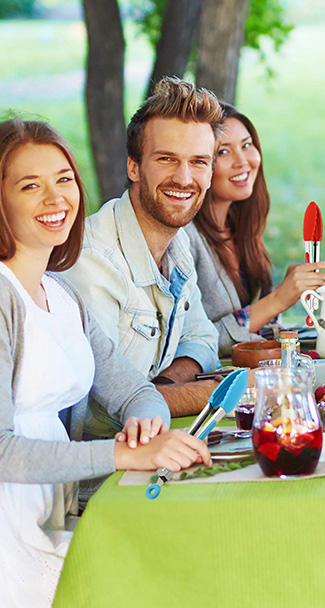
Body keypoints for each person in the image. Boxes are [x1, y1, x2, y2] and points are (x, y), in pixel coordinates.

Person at [0, 119, 210, 606]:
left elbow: (135, 391)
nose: (56, 199)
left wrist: (145, 425)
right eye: (30, 186)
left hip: (51, 512)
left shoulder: (59, 294)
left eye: (64, 179)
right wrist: (125, 455)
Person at [63, 77, 224, 425]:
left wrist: (159, 390)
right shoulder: (93, 261)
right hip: (104, 455)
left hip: (153, 439)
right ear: (133, 167)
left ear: (211, 172)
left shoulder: (177, 240)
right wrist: (222, 392)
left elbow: (202, 337)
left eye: (199, 162)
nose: (184, 178)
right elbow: (99, 412)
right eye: (167, 159)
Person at [185, 103, 325, 355]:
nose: (242, 161)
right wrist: (278, 300)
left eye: (246, 145)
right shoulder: (185, 238)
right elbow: (192, 342)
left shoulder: (239, 225)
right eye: (223, 152)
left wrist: (289, 291)